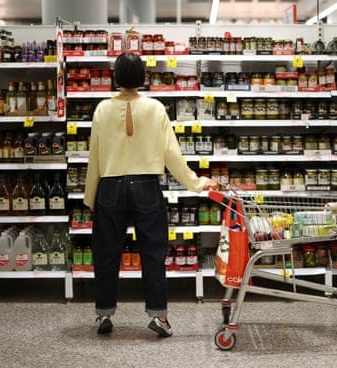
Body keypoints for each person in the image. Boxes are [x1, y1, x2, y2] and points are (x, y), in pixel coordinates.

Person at [83, 52, 219, 337]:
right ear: (143, 77)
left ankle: (104, 314)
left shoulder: (101, 110)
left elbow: (94, 157)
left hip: (110, 187)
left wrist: (90, 197)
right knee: (153, 255)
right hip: (146, 186)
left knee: (106, 254)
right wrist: (197, 183)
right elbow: (172, 154)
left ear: (116, 77)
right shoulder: (156, 108)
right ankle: (159, 317)